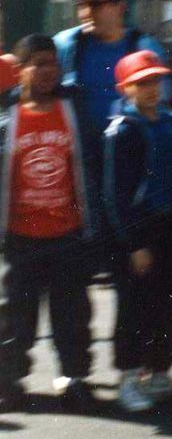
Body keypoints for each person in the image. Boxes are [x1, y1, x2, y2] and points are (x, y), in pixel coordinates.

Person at [0, 35, 100, 413]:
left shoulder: (73, 109)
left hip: (68, 236)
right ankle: (9, 381)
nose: (47, 71)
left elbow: (90, 170)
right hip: (21, 238)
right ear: (20, 69)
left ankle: (74, 379)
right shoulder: (7, 117)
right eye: (38, 63)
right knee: (14, 320)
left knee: (72, 316)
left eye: (53, 63)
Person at [103, 50, 172, 413]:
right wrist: (134, 244)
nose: (153, 88)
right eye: (143, 83)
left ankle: (159, 371)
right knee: (135, 307)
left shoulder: (170, 122)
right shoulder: (121, 130)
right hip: (141, 232)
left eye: (156, 80)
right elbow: (116, 194)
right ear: (126, 88)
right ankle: (128, 377)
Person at [54, 0, 166, 136]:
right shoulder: (65, 45)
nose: (86, 13)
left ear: (121, 6)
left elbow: (159, 109)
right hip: (81, 153)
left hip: (128, 150)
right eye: (81, 4)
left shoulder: (146, 49)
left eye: (95, 4)